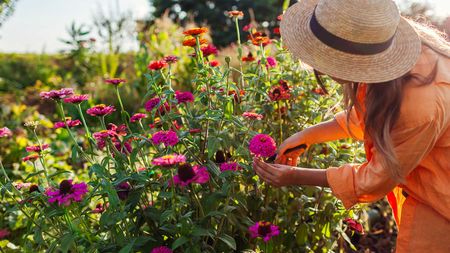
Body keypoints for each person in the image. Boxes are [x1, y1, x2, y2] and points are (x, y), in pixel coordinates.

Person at [252, 0, 450, 252]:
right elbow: (369, 118)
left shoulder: (419, 104)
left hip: (442, 205)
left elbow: (376, 178)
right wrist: (307, 136)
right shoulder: (391, 57)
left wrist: (296, 176)